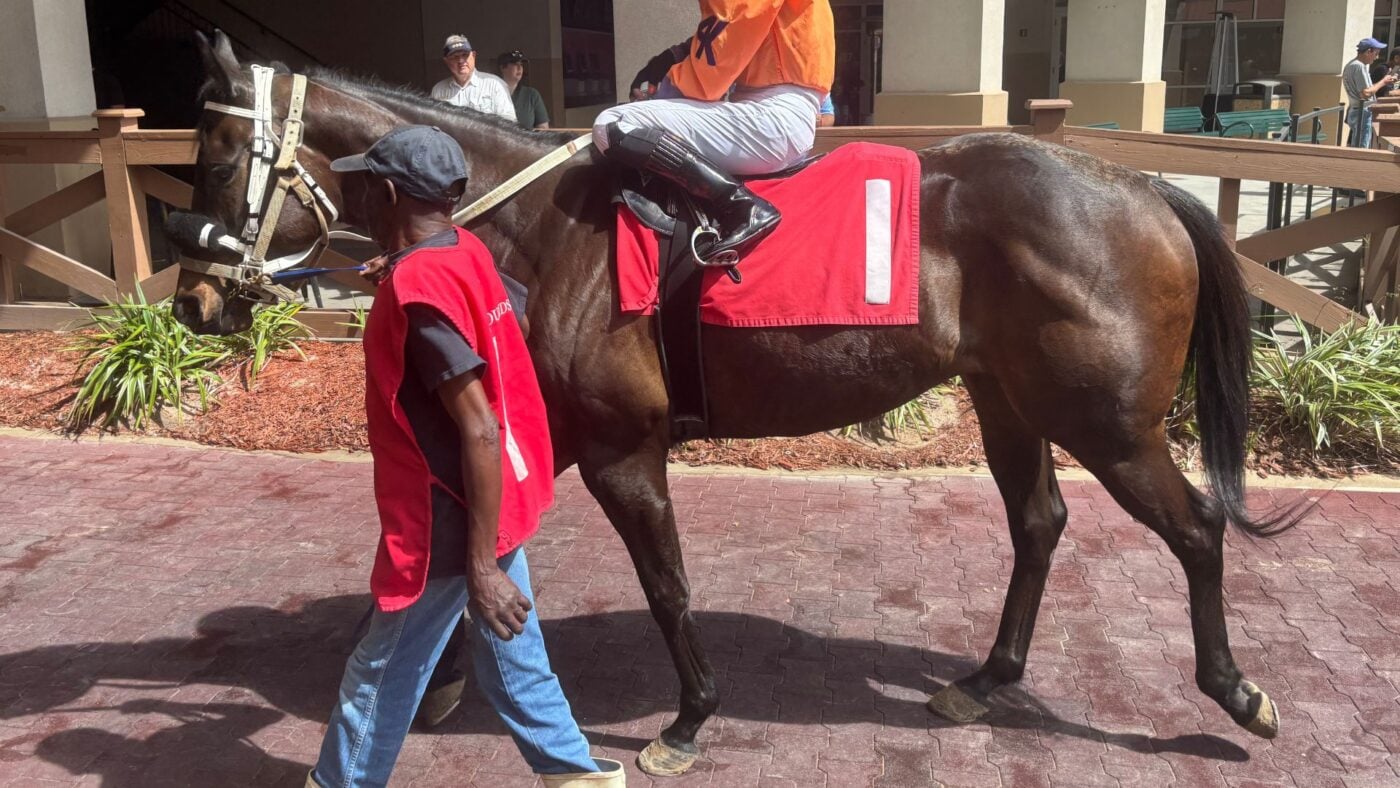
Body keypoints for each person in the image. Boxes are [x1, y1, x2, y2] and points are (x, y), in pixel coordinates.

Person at [308, 125, 623, 788]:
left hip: (447, 523)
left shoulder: (419, 289)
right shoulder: (465, 250)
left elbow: (477, 429)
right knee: (516, 663)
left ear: (389, 192)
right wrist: (403, 276)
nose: (359, 196)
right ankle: (579, 778)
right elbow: (520, 318)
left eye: (365, 185)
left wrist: (480, 569)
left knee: (379, 674)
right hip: (496, 496)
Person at [593, 1, 834, 265]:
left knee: (613, 123)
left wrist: (664, 91)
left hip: (771, 118)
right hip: (776, 114)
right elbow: (734, 34)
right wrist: (676, 57)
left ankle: (742, 207)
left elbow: (717, 60)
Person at [431, 34, 518, 122]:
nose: (461, 61)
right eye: (455, 57)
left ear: (473, 56)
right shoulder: (438, 90)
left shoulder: (495, 85)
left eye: (465, 55)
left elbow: (509, 124)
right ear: (446, 61)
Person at [1345, 37, 1395, 149]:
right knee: (1361, 149)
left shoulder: (1353, 65)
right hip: (1361, 112)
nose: (1377, 57)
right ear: (1368, 51)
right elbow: (1366, 93)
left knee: (1357, 146)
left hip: (1357, 110)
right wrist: (1384, 81)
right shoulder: (1359, 66)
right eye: (1376, 53)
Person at [498, 50, 551, 130]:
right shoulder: (493, 92)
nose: (519, 68)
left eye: (521, 64)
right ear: (502, 67)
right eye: (515, 64)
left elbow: (543, 127)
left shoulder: (531, 94)